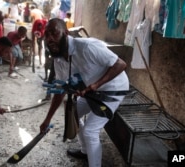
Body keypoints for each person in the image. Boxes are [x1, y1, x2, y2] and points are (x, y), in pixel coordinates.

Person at [39, 18, 129, 167]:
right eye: (46, 35)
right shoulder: (59, 59)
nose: (49, 39)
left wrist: (96, 84)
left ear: (65, 33)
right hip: (91, 90)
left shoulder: (87, 47)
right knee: (72, 113)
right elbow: (61, 90)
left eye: (54, 33)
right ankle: (85, 151)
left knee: (90, 131)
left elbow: (120, 64)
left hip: (113, 88)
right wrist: (47, 119)